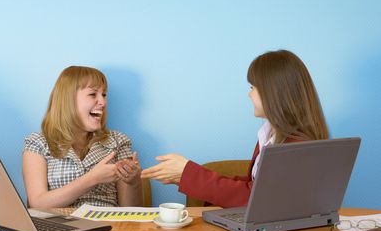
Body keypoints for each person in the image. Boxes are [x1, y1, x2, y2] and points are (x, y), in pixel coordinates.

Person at [141, 49, 329, 207]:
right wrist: (186, 176)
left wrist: (189, 174)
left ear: (273, 92)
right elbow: (253, 187)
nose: (249, 94)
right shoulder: (271, 134)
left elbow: (257, 200)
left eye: (253, 87)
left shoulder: (296, 147)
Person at [22, 66, 143, 208]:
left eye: (104, 95)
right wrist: (93, 179)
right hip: (61, 228)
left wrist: (133, 182)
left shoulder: (118, 141)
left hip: (108, 227)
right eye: (93, 94)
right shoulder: (38, 143)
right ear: (68, 100)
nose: (102, 102)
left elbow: (131, 214)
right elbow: (38, 204)